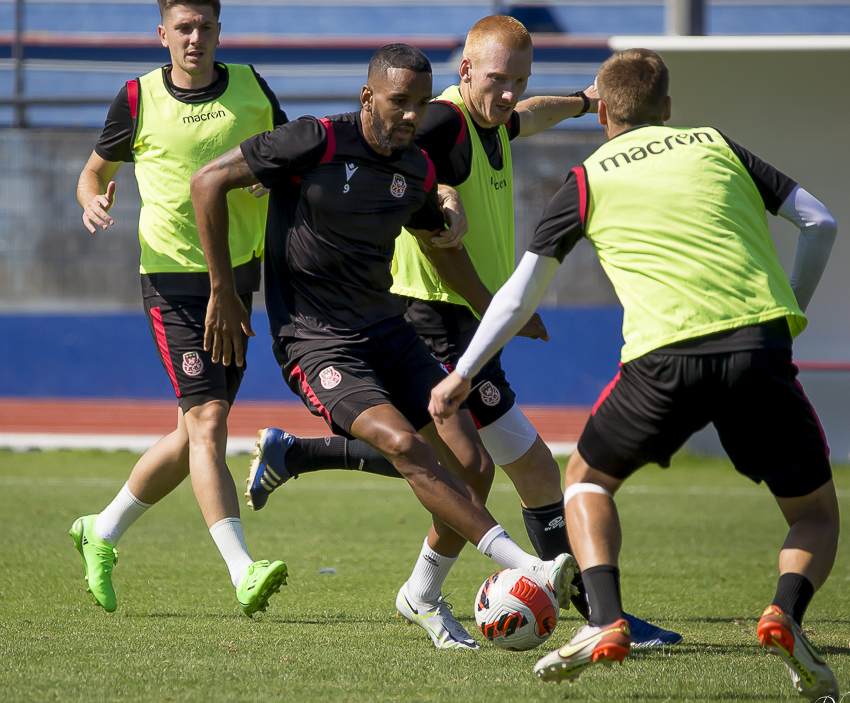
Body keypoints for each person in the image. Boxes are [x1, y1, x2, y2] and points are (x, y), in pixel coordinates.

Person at [244, 16, 680, 648]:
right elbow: (407, 158)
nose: (510, 94)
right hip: (435, 317)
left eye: (519, 81)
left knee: (481, 465)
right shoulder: (443, 120)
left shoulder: (490, 120)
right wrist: (445, 196)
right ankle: (596, 615)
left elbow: (525, 116)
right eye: (498, 79)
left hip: (467, 319)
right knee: (502, 466)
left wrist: (584, 102)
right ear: (466, 71)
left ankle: (312, 469)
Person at [430, 48, 841, 698]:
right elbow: (820, 221)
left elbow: (517, 296)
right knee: (813, 515)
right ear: (668, 108)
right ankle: (784, 614)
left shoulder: (587, 178)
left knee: (585, 482)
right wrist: (791, 312)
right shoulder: (716, 145)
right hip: (759, 346)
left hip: (663, 356)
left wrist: (462, 372)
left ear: (603, 116)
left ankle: (605, 619)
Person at [190, 43, 578, 648]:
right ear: (368, 96)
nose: (411, 115)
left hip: (388, 333)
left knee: (473, 466)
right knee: (402, 445)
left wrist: (492, 305)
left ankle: (421, 595)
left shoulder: (417, 169)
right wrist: (224, 291)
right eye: (400, 101)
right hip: (316, 342)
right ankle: (527, 566)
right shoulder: (315, 140)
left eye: (421, 103)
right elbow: (207, 181)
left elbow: (438, 244)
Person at [70, 0, 289, 617]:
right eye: (183, 28)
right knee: (210, 423)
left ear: (219, 31)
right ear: (162, 33)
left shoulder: (251, 88)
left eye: (205, 27)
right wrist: (92, 200)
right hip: (172, 283)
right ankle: (243, 570)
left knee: (192, 431)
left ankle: (101, 530)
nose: (195, 38)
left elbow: (290, 156)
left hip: (238, 279)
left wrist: (271, 176)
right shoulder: (136, 98)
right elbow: (91, 173)